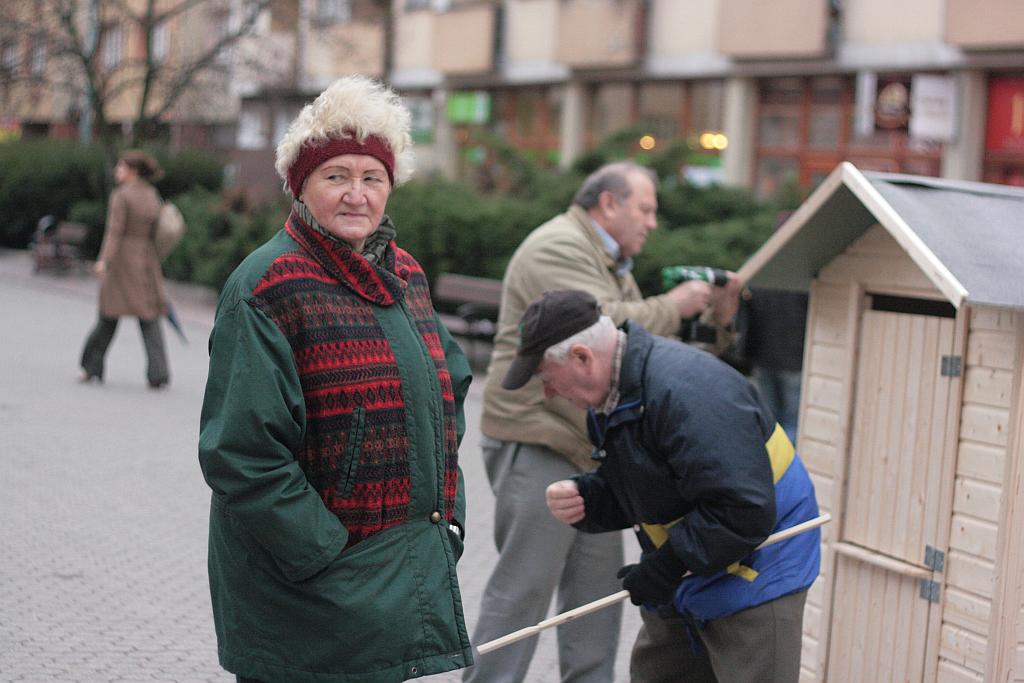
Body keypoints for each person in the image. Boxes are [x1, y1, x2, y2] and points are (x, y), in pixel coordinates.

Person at [197, 76, 474, 683]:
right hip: (309, 587)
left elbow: (447, 389)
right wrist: (324, 551)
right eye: (336, 177)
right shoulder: (266, 287)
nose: (356, 195)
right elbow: (242, 455)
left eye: (372, 178)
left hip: (391, 575)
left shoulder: (404, 273)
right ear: (302, 187)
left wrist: (445, 517)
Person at [467, 161, 741, 683]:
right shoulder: (559, 246)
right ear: (608, 204)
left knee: (596, 601)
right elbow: (602, 330)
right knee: (523, 592)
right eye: (645, 208)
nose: (653, 223)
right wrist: (675, 304)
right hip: (540, 438)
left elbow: (645, 352)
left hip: (587, 451)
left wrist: (715, 320)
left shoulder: (608, 259)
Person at [508, 290, 820, 683]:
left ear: (582, 358)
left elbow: (743, 509)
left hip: (759, 566)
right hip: (691, 564)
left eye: (544, 377)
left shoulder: (689, 393)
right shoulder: (611, 397)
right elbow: (653, 483)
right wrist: (591, 498)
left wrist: (665, 568)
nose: (547, 392)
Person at [79, 150, 170, 388]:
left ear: (133, 171)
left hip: (121, 261)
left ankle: (92, 367)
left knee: (108, 315)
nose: (117, 170)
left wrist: (104, 260)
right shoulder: (151, 194)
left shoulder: (121, 195)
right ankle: (158, 373)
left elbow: (114, 231)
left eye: (121, 166)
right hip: (146, 260)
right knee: (149, 317)